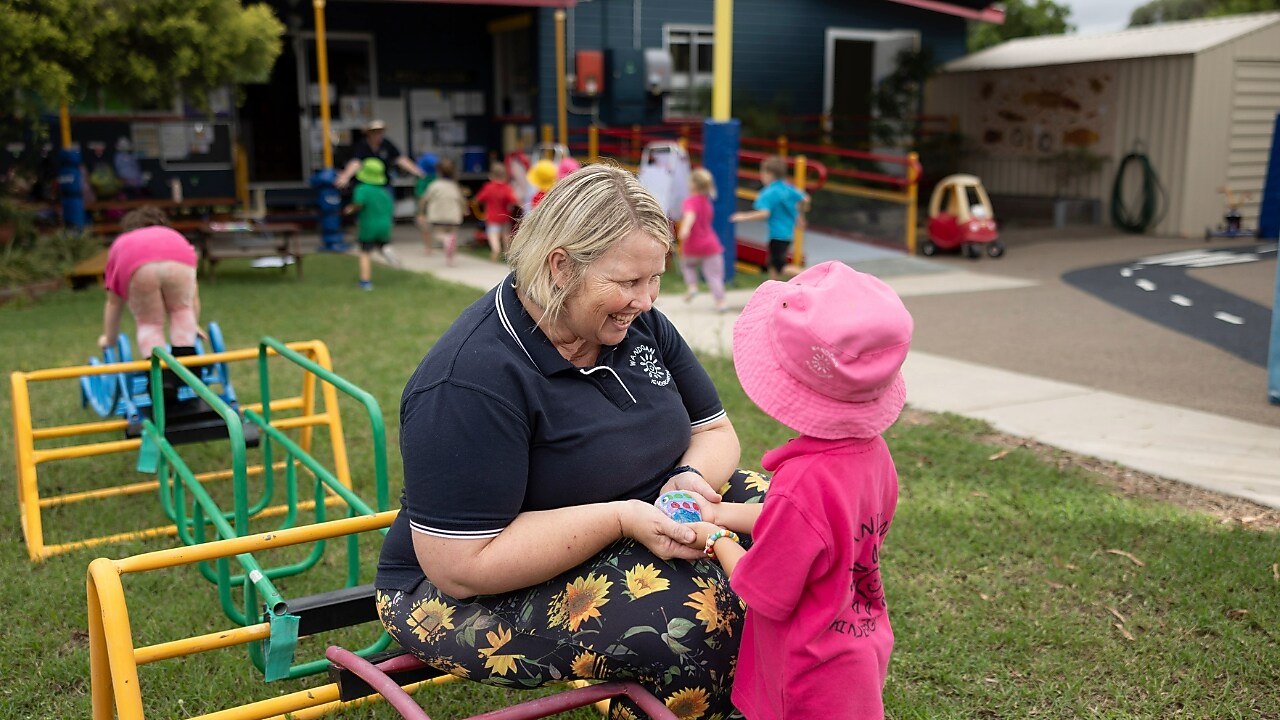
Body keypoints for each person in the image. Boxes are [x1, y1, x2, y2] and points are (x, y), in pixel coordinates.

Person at [375, 163, 764, 719]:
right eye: (629, 282)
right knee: (691, 619)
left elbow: (713, 430)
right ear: (560, 267)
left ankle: (783, 698)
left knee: (798, 520)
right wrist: (623, 518)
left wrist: (691, 480)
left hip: (632, 518)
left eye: (656, 278)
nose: (648, 300)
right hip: (453, 595)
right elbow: (460, 567)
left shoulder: (634, 323)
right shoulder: (470, 380)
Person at [683, 260, 913, 719]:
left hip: (805, 672)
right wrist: (723, 512)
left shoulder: (801, 485)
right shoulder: (873, 456)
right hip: (859, 646)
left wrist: (715, 540)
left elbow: (759, 588)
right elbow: (817, 533)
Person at [99, 206, 202, 402]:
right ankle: (189, 366)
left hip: (136, 264)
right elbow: (192, 298)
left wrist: (109, 339)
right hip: (180, 258)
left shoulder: (123, 243)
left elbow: (113, 303)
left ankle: (162, 380)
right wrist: (194, 324)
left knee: (150, 323)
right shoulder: (172, 235)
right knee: (182, 311)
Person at [729, 155, 810, 281]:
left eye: (762, 172)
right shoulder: (787, 187)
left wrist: (743, 216)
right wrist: (799, 216)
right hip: (787, 234)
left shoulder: (768, 193)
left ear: (769, 174)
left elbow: (764, 213)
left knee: (779, 266)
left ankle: (810, 275)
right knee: (772, 263)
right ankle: (774, 290)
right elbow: (805, 198)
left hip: (777, 234)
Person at [676, 168, 727, 313]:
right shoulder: (707, 201)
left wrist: (684, 229)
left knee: (688, 266)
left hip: (693, 245)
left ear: (692, 185)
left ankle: (692, 286)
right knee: (714, 275)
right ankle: (721, 302)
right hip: (710, 244)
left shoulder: (690, 201)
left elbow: (690, 215)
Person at [343, 158, 396, 290]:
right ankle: (387, 251)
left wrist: (350, 209)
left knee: (365, 253)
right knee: (380, 244)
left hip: (369, 225)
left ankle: (365, 282)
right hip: (384, 225)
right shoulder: (384, 192)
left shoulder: (362, 189)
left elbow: (359, 204)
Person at [335, 119, 426, 189]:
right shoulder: (362, 145)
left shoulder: (386, 144)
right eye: (375, 132)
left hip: (383, 183)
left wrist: (418, 172)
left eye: (380, 132)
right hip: (365, 184)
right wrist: (346, 176)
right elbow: (356, 162)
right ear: (369, 134)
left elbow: (400, 159)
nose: (378, 135)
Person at [418, 157, 468, 267]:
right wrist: (465, 210)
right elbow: (461, 200)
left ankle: (445, 239)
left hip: (438, 216)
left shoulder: (434, 185)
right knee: (453, 236)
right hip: (453, 216)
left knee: (439, 234)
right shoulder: (455, 186)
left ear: (439, 171)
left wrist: (421, 212)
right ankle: (451, 260)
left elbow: (424, 199)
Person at [473, 163, 518, 262]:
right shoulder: (507, 188)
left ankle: (495, 249)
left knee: (493, 235)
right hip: (504, 216)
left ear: (491, 175)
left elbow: (478, 198)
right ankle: (507, 253)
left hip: (492, 217)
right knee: (506, 235)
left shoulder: (489, 187)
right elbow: (514, 200)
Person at [413, 153, 438, 255]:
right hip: (437, 208)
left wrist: (420, 212)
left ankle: (428, 248)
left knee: (425, 229)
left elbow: (420, 197)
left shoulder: (421, 181)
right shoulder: (438, 179)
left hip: (425, 209)